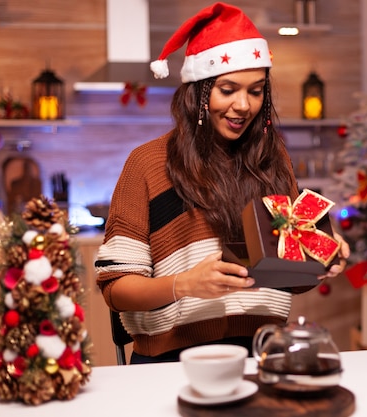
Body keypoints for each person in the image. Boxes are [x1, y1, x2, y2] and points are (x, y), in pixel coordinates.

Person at [95, 2, 349, 364]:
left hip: (263, 356)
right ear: (198, 93)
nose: (244, 105)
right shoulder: (148, 164)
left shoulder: (273, 161)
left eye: (256, 91)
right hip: (172, 364)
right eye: (228, 89)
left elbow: (291, 277)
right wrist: (184, 284)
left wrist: (320, 258)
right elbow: (116, 290)